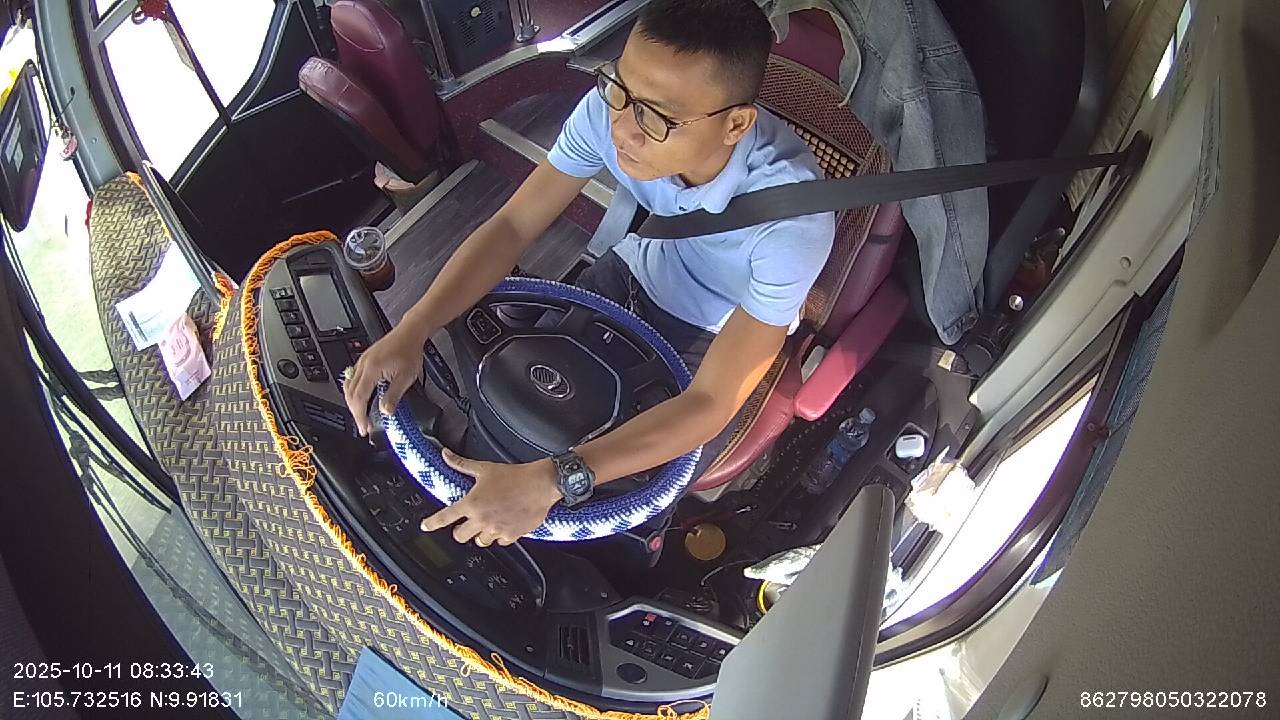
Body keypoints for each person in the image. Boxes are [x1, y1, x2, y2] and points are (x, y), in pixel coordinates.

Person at [343, 0, 834, 548]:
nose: (623, 130)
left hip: (717, 335)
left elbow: (710, 403)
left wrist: (556, 479)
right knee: (528, 401)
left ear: (735, 124)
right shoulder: (609, 110)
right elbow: (512, 227)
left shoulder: (793, 222)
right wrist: (412, 330)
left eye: (657, 117)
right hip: (632, 270)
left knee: (615, 495)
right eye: (619, 87)